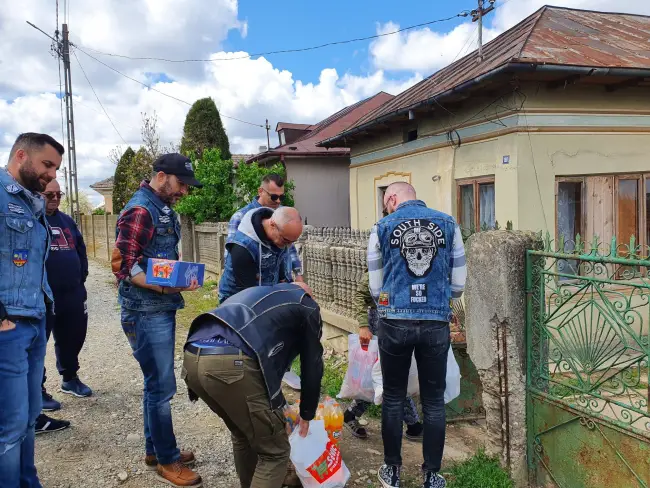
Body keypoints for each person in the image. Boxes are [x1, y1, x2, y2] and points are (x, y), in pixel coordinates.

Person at [113, 153, 203, 488]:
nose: (184, 192)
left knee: (155, 383)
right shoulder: (140, 209)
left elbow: (158, 259)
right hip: (145, 311)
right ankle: (167, 460)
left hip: (158, 308)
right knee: (162, 386)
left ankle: (155, 450)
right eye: (181, 184)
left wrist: (178, 275)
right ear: (162, 176)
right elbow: (126, 267)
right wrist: (168, 286)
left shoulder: (163, 208)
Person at [368, 182, 466, 488]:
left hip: (394, 323)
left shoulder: (381, 227)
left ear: (393, 198)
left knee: (394, 397)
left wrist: (393, 303)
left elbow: (375, 286)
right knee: (434, 402)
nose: (386, 209)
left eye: (386, 203)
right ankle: (432, 475)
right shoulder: (449, 224)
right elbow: (458, 284)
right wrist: (436, 301)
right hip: (435, 323)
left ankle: (392, 471)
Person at [183, 282, 324, 488]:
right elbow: (312, 365)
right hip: (231, 363)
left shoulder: (265, 295)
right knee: (275, 452)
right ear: (309, 295)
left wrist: (277, 406)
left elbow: (266, 364)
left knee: (242, 434)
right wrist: (307, 413)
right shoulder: (308, 306)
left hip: (192, 356)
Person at [0, 133, 64, 488]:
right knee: (8, 426)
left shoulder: (32, 203)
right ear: (21, 155)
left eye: (55, 167)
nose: (51, 174)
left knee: (26, 419)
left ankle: (28, 481)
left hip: (35, 321)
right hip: (7, 327)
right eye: (47, 164)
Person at [344, 271, 423, 441]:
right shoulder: (380, 265)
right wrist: (363, 325)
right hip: (381, 324)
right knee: (386, 375)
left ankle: (351, 414)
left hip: (402, 323)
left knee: (389, 375)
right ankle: (413, 425)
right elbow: (359, 295)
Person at [226, 173, 304, 282]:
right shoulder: (240, 217)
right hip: (252, 284)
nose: (278, 201)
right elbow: (232, 256)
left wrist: (298, 274)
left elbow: (289, 246)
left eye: (281, 197)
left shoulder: (283, 213)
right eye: (274, 197)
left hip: (281, 282)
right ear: (260, 191)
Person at [218, 206, 304, 302]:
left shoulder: (280, 237)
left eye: (292, 241)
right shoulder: (243, 247)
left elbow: (279, 262)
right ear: (272, 225)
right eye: (286, 240)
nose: (289, 245)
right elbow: (247, 295)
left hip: (262, 293)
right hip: (236, 300)